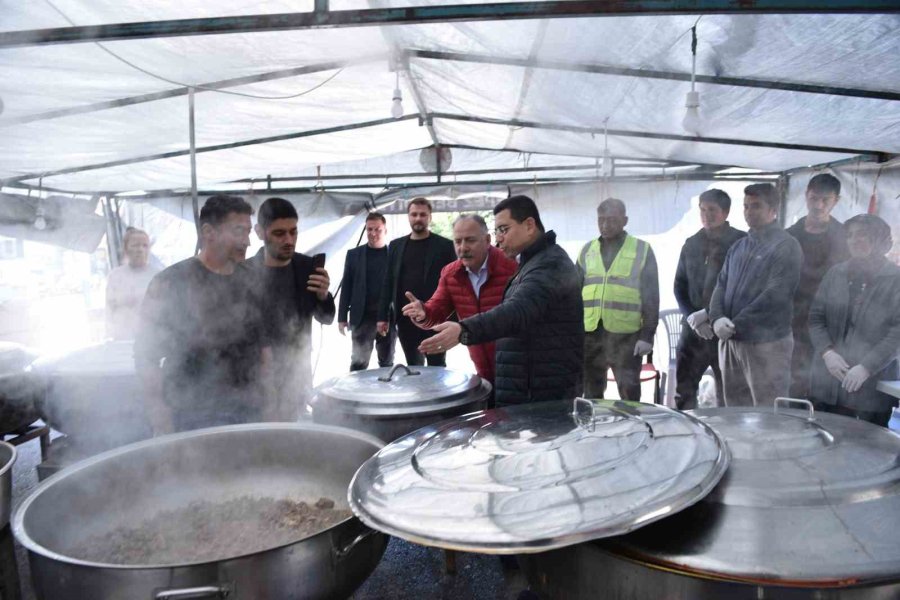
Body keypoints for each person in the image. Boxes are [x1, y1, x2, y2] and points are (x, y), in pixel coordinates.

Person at [418, 195, 583, 406]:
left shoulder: (549, 264)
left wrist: (463, 330)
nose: (499, 239)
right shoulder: (531, 262)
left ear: (529, 225)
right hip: (526, 385)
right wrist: (425, 312)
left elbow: (517, 311)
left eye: (504, 230)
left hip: (541, 392)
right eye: (497, 231)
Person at [135, 195, 270, 434]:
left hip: (249, 413)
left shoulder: (252, 280)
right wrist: (160, 419)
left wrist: (271, 404)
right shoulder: (170, 282)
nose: (247, 241)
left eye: (248, 232)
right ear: (209, 232)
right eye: (238, 231)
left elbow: (264, 350)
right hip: (190, 416)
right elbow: (146, 357)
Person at [709, 183, 802, 407]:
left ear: (773, 210)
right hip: (732, 341)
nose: (749, 212)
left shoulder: (786, 246)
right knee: (734, 408)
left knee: (769, 411)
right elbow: (720, 285)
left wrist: (732, 324)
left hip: (766, 344)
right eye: (746, 206)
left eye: (756, 206)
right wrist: (716, 318)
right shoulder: (739, 247)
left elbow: (776, 294)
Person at [401, 214, 518, 387]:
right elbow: (438, 310)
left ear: (487, 240)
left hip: (517, 367)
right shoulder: (450, 273)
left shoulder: (512, 267)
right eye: (457, 241)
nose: (463, 248)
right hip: (482, 367)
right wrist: (423, 313)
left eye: (470, 240)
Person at [247, 197, 335, 420]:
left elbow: (326, 318)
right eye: (279, 233)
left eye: (293, 232)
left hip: (298, 372)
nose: (289, 240)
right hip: (256, 377)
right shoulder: (245, 272)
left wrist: (324, 296)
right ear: (259, 232)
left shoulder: (306, 267)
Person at [808, 214, 900, 426]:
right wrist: (827, 352)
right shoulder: (836, 273)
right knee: (825, 441)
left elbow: (897, 333)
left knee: (866, 449)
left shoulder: (895, 279)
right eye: (849, 235)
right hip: (828, 381)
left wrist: (867, 366)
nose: (854, 240)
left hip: (871, 386)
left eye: (863, 235)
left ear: (881, 240)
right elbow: (816, 318)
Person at [577, 198, 659, 401]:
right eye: (601, 220)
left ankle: (632, 431)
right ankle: (593, 432)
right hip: (591, 335)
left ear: (625, 220)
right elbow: (573, 294)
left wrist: (647, 335)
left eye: (612, 220)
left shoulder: (642, 250)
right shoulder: (587, 250)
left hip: (627, 336)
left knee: (629, 392)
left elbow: (651, 296)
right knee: (591, 394)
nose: (605, 225)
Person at [673, 190, 746, 409]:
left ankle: (727, 437)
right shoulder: (691, 243)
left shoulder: (740, 242)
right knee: (684, 391)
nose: (706, 215)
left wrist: (709, 315)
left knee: (730, 393)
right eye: (703, 210)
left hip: (726, 330)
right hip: (693, 331)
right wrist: (692, 317)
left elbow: (740, 287)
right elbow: (679, 285)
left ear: (725, 212)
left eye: (712, 210)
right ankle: (686, 436)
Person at [786, 173, 849, 398]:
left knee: (823, 387)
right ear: (806, 196)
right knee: (793, 383)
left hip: (830, 324)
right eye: (813, 199)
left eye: (825, 200)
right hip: (793, 322)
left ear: (836, 201)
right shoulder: (790, 236)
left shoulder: (845, 237)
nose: (818, 205)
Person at [376, 198, 456, 367]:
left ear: (430, 217)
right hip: (405, 318)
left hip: (436, 317)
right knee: (413, 367)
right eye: (414, 214)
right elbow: (387, 282)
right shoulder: (396, 246)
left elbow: (455, 283)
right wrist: (382, 316)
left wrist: (455, 318)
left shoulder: (445, 246)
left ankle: (438, 394)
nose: (418, 218)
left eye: (422, 214)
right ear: (408, 217)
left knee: (437, 366)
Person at [338, 212, 396, 371]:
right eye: (369, 229)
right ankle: (356, 396)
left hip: (388, 318)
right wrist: (342, 317)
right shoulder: (353, 255)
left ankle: (384, 395)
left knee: (387, 364)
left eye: (377, 229)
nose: (373, 233)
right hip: (362, 318)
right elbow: (347, 286)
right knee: (358, 364)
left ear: (385, 230)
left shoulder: (394, 254)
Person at [106, 227, 160, 340]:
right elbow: (109, 310)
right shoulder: (115, 276)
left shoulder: (158, 276)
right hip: (122, 338)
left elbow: (166, 312)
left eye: (144, 245)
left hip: (150, 341)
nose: (140, 249)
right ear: (126, 249)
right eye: (135, 245)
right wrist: (110, 334)